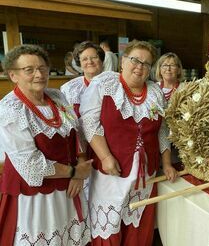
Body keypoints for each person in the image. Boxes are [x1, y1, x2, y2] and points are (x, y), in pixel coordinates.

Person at [79, 40, 178, 245]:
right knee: (109, 228)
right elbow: (89, 123)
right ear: (122, 61)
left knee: (139, 230)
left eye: (146, 63)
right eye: (135, 60)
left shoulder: (155, 91)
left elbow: (162, 130)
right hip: (111, 174)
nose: (140, 66)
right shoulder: (104, 84)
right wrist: (105, 156)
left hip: (145, 177)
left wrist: (166, 163)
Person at [0, 44, 93, 245]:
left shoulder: (57, 97)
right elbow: (31, 166)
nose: (39, 74)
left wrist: (79, 167)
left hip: (67, 189)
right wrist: (74, 172)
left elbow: (75, 133)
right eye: (29, 70)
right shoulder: (11, 109)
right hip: (35, 197)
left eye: (43, 68)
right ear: (13, 75)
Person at [61, 41, 105, 117]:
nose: (90, 62)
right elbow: (66, 118)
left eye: (94, 57)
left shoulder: (113, 85)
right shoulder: (69, 89)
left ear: (101, 61)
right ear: (80, 64)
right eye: (84, 59)